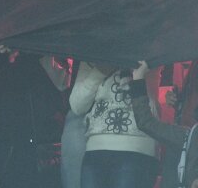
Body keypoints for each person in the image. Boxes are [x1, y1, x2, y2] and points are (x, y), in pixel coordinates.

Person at [69, 62, 157, 188]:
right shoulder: (91, 53)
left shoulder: (148, 47)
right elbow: (77, 106)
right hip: (96, 148)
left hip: (137, 145)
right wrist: (100, 71)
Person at [128, 60, 197, 188]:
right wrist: (180, 103)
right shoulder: (187, 136)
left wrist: (138, 79)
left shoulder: (187, 136)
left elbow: (145, 121)